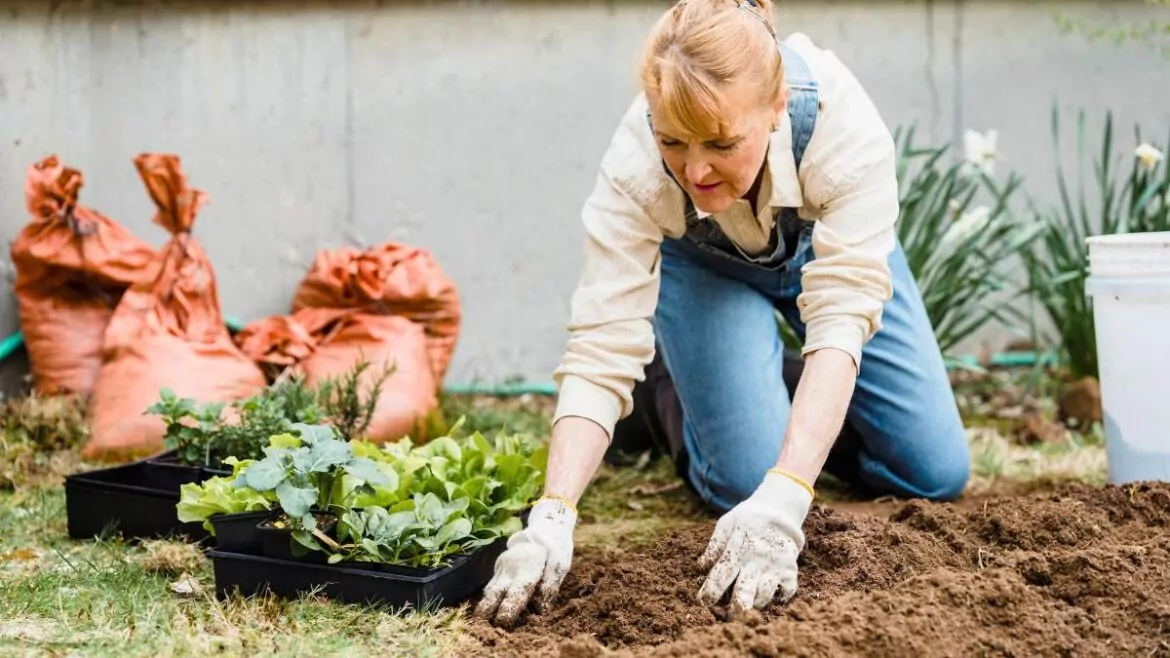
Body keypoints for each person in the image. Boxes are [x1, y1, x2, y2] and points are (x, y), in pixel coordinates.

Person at [476, 0, 970, 628]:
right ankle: (667, 391)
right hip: (703, 270)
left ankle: (750, 377)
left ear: (776, 105)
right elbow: (601, 345)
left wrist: (789, 492)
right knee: (744, 481)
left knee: (933, 472)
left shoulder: (840, 126)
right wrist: (553, 515)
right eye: (672, 141)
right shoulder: (634, 167)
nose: (695, 169)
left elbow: (841, 317)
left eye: (721, 143)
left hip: (828, 258)